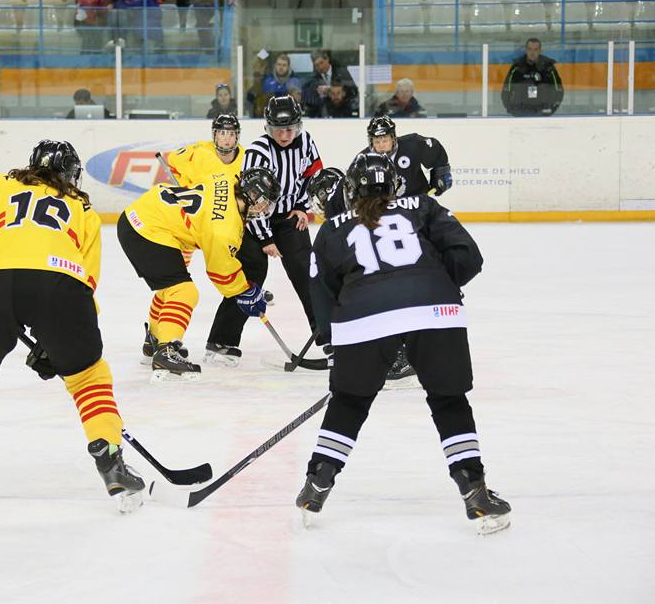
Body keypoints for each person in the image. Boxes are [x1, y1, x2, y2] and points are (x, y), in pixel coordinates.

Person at [0, 140, 146, 521]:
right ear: (72, 175)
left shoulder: (2, 186)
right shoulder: (82, 208)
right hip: (62, 285)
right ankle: (112, 461)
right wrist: (62, 345)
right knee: (88, 378)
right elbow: (87, 282)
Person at [296, 153, 511, 536]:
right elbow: (468, 256)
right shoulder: (423, 206)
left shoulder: (331, 229)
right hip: (436, 313)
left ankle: (318, 482)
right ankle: (474, 491)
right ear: (394, 185)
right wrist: (437, 288)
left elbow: (321, 290)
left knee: (350, 401)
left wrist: (336, 341)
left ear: (350, 191)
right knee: (448, 400)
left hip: (362, 321)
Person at [118, 162, 279, 381]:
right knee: (184, 292)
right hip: (148, 229)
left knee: (170, 289)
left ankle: (155, 340)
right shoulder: (225, 228)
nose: (264, 208)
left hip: (144, 215)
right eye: (263, 202)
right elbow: (220, 272)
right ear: (251, 195)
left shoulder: (226, 176)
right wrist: (245, 290)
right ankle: (166, 351)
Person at [205, 95, 324, 366]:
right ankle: (222, 341)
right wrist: (265, 238)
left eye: (290, 128)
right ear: (268, 128)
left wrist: (303, 207)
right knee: (252, 274)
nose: (285, 134)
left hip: (289, 214)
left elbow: (313, 176)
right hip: (256, 219)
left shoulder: (306, 142)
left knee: (307, 270)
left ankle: (327, 334)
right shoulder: (258, 151)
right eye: (278, 129)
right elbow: (250, 199)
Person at [351, 115, 454, 383]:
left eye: (385, 139)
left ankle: (426, 337)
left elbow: (437, 150)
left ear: (394, 137)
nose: (382, 144)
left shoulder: (414, 146)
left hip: (419, 218)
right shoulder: (364, 161)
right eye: (377, 140)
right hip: (389, 228)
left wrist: (441, 172)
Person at [138, 114, 245, 361]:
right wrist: (186, 185)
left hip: (215, 228)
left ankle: (158, 337)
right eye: (221, 133)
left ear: (237, 136)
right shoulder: (199, 152)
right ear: (214, 135)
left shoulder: (245, 159)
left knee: (175, 284)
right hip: (185, 226)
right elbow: (173, 162)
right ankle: (156, 337)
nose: (226, 139)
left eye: (231, 134)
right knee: (173, 284)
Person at [501, 38, 564, 117]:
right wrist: (512, 110)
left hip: (543, 113)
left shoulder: (548, 67)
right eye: (530, 49)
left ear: (540, 50)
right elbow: (506, 90)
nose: (532, 52)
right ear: (526, 50)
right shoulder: (517, 67)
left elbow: (559, 90)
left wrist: (551, 109)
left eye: (535, 49)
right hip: (521, 113)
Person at [301, 49, 356, 118]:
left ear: (327, 59)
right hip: (323, 114)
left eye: (322, 62)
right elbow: (308, 97)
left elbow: (353, 90)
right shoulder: (313, 79)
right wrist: (317, 92)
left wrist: (336, 90)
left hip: (343, 112)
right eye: (317, 65)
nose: (320, 67)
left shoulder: (342, 72)